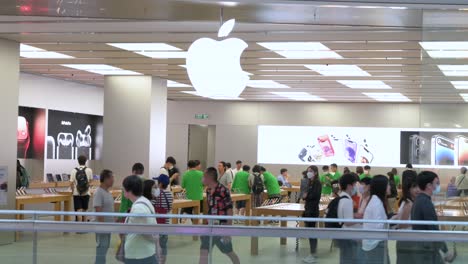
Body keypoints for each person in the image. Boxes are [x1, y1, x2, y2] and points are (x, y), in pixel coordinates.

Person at [411, 171, 455, 263]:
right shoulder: (425, 202)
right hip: (427, 247)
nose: (438, 186)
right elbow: (433, 229)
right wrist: (446, 251)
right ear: (429, 185)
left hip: (423, 245)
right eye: (437, 183)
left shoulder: (419, 199)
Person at [199, 167, 240, 264]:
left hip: (221, 227)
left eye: (204, 176)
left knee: (229, 252)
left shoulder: (223, 190)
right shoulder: (208, 190)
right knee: (203, 252)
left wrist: (227, 231)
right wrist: (204, 226)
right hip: (209, 227)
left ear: (209, 178)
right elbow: (209, 209)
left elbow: (229, 210)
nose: (202, 179)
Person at [122, 175, 157, 264]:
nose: (123, 190)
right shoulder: (144, 201)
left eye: (124, 188)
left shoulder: (139, 208)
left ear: (129, 190)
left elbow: (146, 232)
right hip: (143, 252)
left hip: (139, 255)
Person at [143, 175, 173, 264]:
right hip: (165, 225)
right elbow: (169, 208)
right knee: (163, 247)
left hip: (155, 226)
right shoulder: (169, 194)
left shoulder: (156, 195)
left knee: (154, 247)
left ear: (160, 183)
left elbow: (151, 207)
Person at [362, 175, 390, 264]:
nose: (390, 187)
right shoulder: (376, 203)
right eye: (388, 185)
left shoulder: (375, 200)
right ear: (382, 187)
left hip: (374, 243)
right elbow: (379, 226)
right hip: (375, 244)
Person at [394, 170, 418, 264]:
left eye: (417, 186)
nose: (417, 190)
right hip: (406, 241)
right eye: (414, 187)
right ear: (408, 188)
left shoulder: (408, 201)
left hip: (407, 240)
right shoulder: (408, 204)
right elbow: (402, 225)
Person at [337, 173, 359, 264]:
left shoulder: (342, 197)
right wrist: (362, 220)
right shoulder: (347, 200)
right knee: (349, 259)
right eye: (355, 184)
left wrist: (356, 216)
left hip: (343, 234)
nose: (356, 187)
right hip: (348, 236)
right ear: (349, 186)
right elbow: (348, 222)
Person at [93, 169, 115, 264]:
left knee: (105, 248)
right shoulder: (99, 192)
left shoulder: (108, 192)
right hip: (102, 227)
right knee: (101, 249)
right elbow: (98, 210)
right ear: (106, 179)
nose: (113, 180)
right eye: (112, 178)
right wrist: (102, 226)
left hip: (108, 226)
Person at [302, 166, 322, 264]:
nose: (308, 173)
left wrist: (307, 196)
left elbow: (315, 195)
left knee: (312, 232)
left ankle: (313, 254)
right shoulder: (310, 182)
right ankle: (312, 253)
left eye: (310, 171)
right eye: (308, 171)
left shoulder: (317, 182)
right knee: (310, 232)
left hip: (313, 210)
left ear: (315, 172)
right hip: (308, 209)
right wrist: (305, 196)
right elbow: (305, 195)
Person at [70, 155, 93, 222]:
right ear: (85, 161)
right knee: (85, 209)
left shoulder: (74, 170)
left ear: (78, 161)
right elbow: (91, 182)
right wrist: (87, 188)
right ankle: (84, 225)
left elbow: (71, 183)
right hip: (86, 193)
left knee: (78, 210)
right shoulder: (89, 170)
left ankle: (79, 226)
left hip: (76, 193)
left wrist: (72, 191)